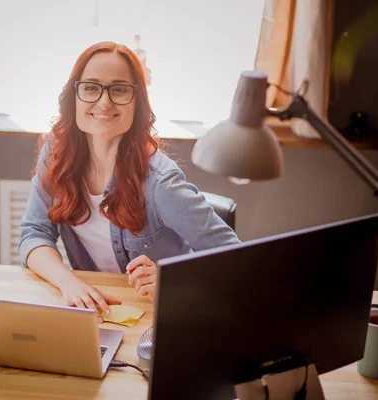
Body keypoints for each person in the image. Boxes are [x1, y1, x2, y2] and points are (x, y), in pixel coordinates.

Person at [19, 41, 240, 322]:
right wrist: (67, 282)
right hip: (98, 311)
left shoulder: (162, 184)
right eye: (91, 87)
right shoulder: (56, 153)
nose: (104, 102)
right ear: (73, 96)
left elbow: (236, 260)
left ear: (137, 103)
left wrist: (174, 284)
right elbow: (34, 233)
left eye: (119, 89)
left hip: (164, 316)